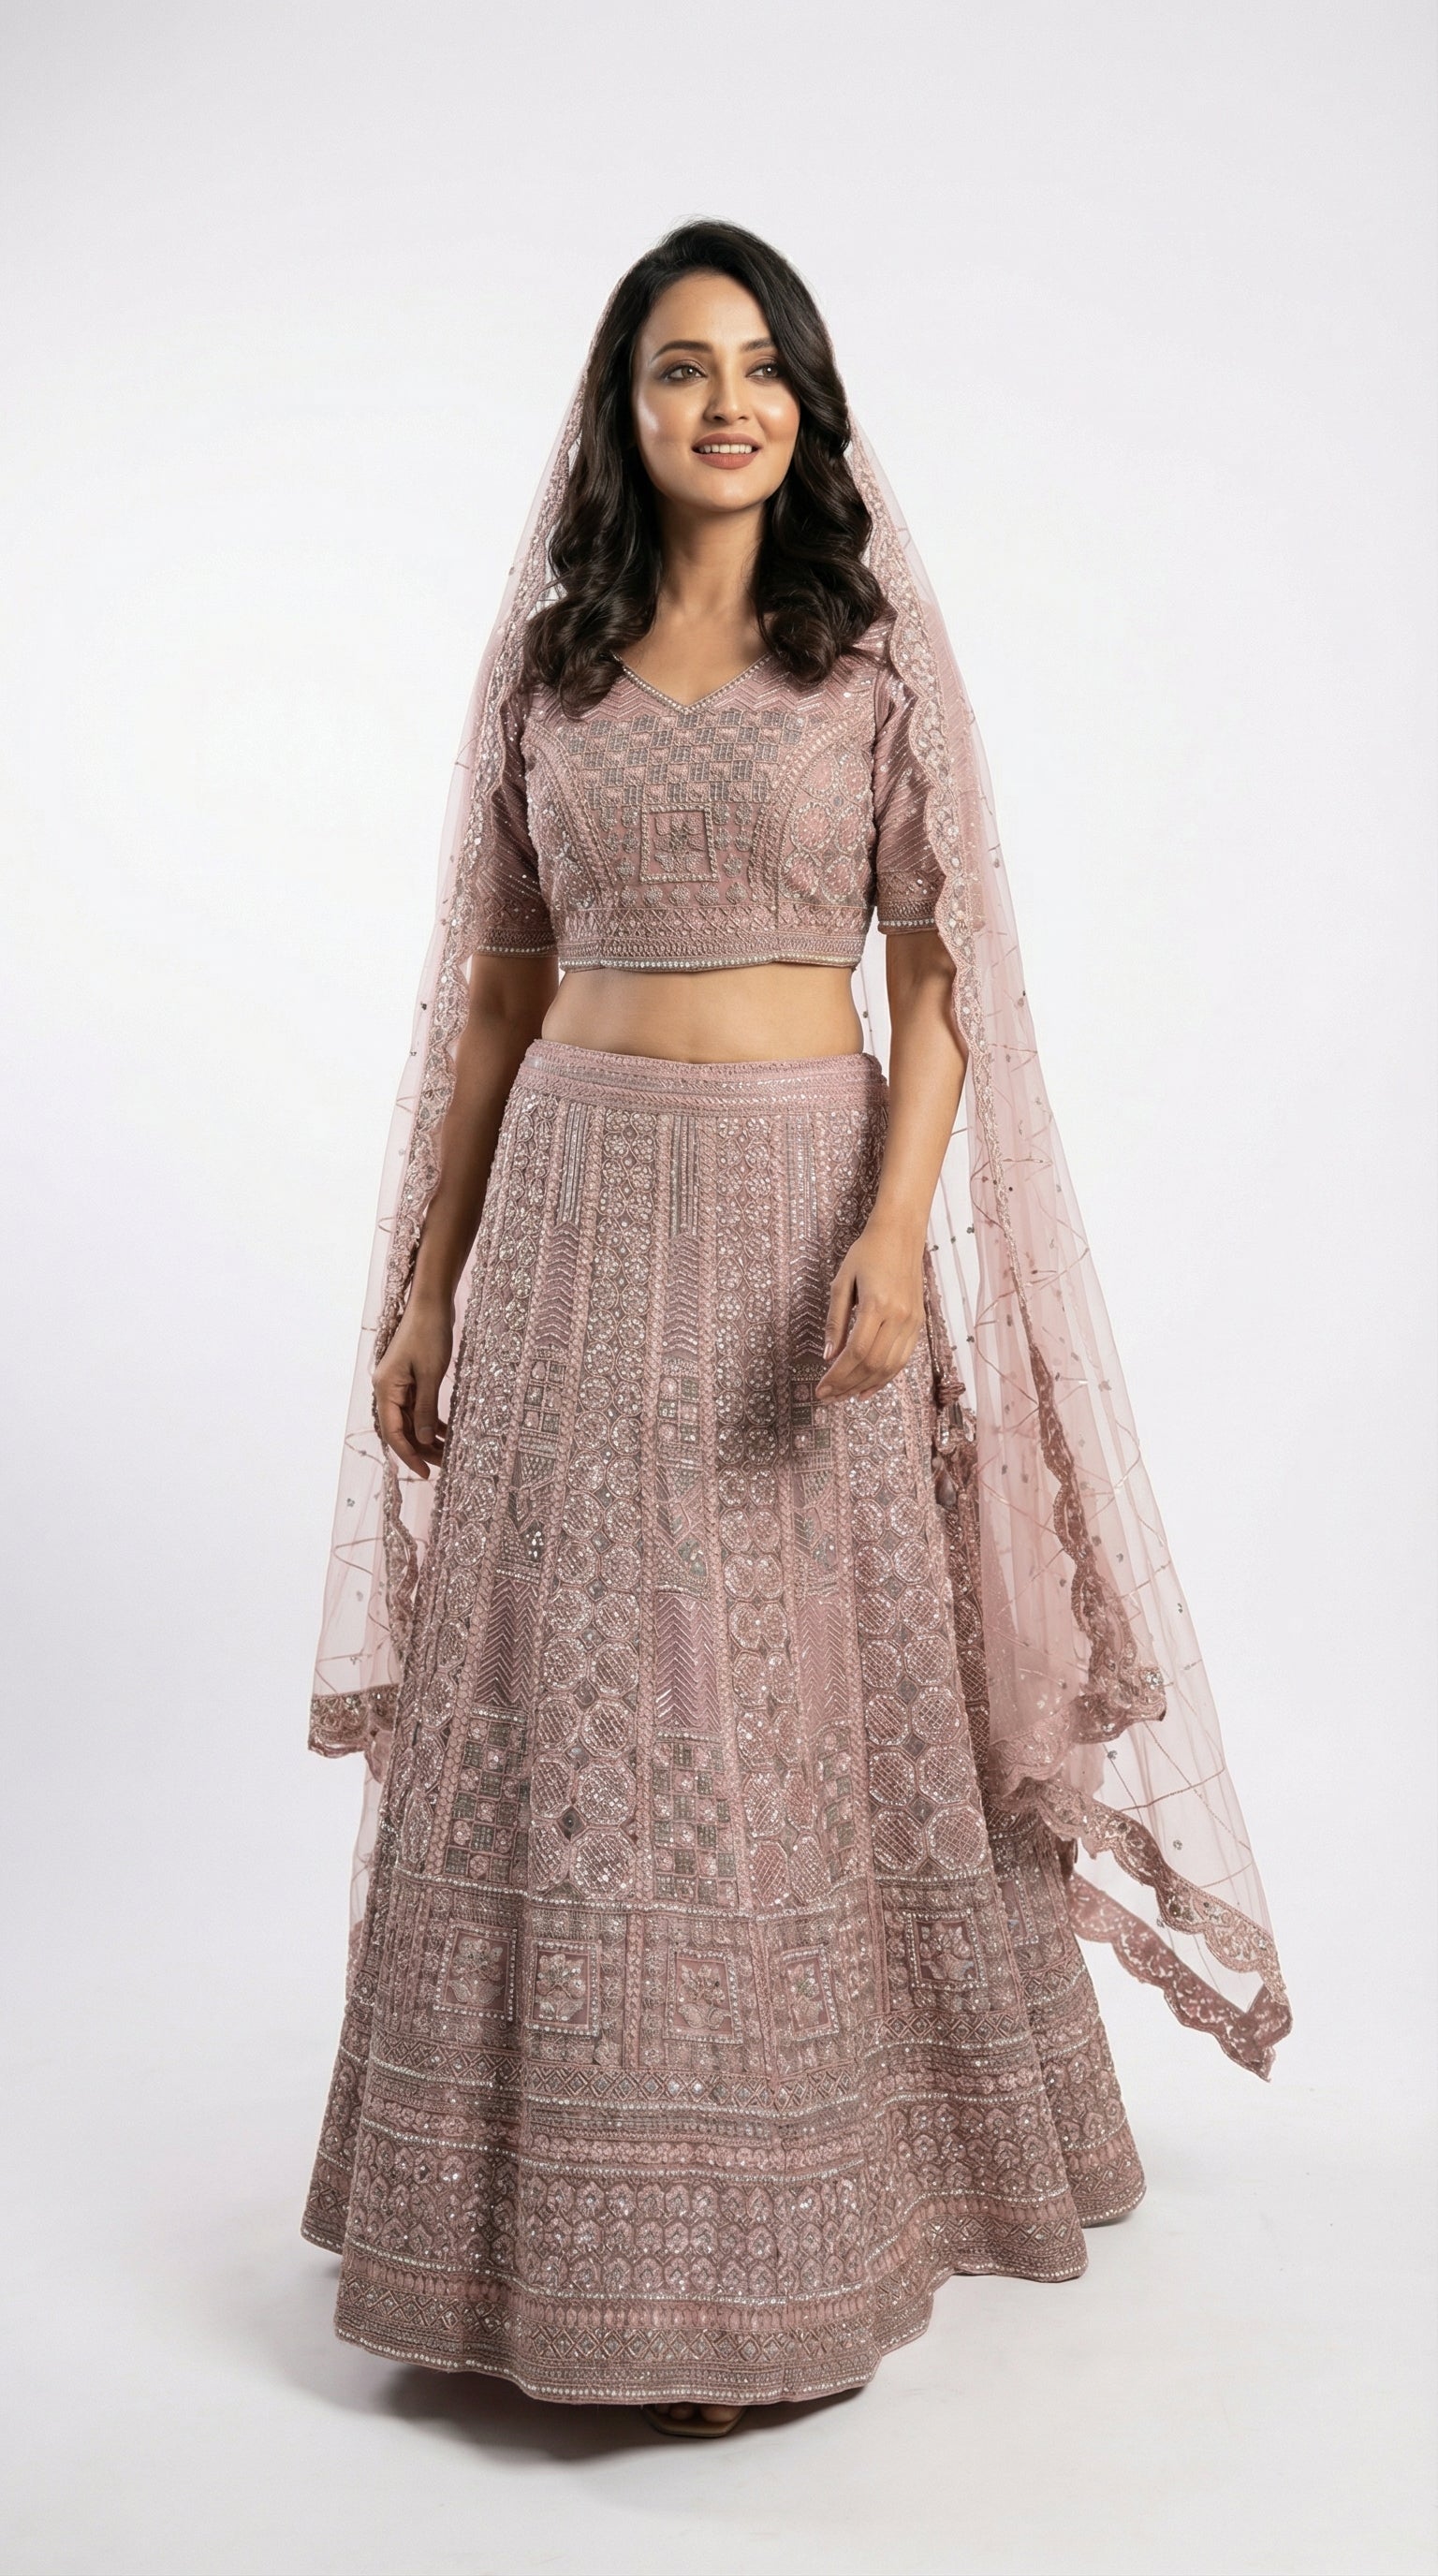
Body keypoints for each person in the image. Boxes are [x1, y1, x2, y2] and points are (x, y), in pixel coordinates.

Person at [301, 221, 1289, 2437]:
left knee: (775, 1710)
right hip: (569, 1202)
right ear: (622, 412)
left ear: (810, 411)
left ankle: (795, 2232)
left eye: (762, 367)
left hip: (790, 1214)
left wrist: (892, 1222)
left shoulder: (870, 667)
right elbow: (492, 989)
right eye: (679, 368)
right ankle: (521, 2240)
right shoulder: (549, 675)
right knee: (572, 1691)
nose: (725, 400)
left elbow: (940, 967)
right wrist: (429, 1274)